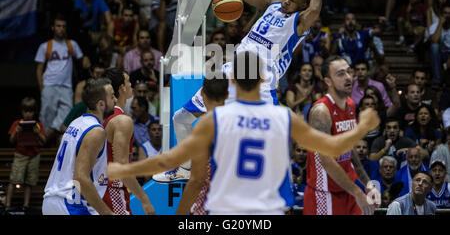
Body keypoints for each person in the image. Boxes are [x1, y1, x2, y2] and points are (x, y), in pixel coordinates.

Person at [106, 51, 381, 215]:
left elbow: (174, 165)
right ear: (263, 82)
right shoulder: (282, 116)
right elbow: (329, 146)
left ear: (233, 82)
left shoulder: (214, 123)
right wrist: (364, 127)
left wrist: (126, 170)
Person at [154, 0, 323, 182]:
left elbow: (315, 8)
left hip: (259, 83)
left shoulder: (300, 23)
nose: (286, 2)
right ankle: (184, 168)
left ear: (301, 6)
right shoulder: (274, 4)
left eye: (293, 1)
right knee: (181, 117)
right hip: (231, 72)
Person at [303, 55, 380, 215]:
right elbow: (326, 161)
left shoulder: (350, 104)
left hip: (348, 189)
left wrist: (367, 185)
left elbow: (350, 150)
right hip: (324, 194)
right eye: (340, 74)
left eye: (348, 72)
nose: (348, 78)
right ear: (328, 81)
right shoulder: (321, 111)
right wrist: (358, 192)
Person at [42, 78, 116, 215]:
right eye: (112, 96)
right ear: (101, 104)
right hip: (70, 204)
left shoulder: (76, 123)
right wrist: (107, 213)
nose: (116, 100)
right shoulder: (96, 131)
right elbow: (81, 177)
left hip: (52, 200)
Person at [102, 68, 155, 215]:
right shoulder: (121, 120)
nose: (131, 85)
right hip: (113, 188)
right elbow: (121, 166)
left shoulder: (103, 116)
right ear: (122, 88)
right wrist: (144, 199)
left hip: (101, 187)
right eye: (129, 81)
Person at [175, 74, 229, 215]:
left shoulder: (204, 131)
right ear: (228, 94)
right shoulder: (242, 126)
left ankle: (183, 168)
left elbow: (196, 182)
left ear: (202, 93)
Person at [35, 16, 84, 146]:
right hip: (49, 85)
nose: (61, 29)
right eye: (58, 26)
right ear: (53, 28)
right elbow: (39, 69)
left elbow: (82, 61)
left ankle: (43, 140)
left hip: (66, 86)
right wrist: (42, 88)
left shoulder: (71, 44)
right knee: (47, 114)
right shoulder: (45, 46)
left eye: (63, 26)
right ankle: (43, 146)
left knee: (67, 113)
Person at [5, 97, 46, 214]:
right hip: (20, 154)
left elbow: (44, 141)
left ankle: (26, 205)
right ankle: (7, 205)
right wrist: (16, 131)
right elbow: (11, 140)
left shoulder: (37, 125)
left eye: (31, 111)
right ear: (22, 112)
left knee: (30, 182)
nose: (28, 114)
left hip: (34, 155)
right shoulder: (17, 124)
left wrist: (38, 133)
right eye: (26, 111)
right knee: (14, 180)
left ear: (34, 112)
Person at [430, 3, 450, 85]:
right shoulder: (435, 25)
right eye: (445, 13)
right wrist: (440, 24)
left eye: (449, 13)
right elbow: (434, 40)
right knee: (434, 46)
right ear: (441, 14)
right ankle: (437, 81)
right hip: (440, 53)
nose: (447, 15)